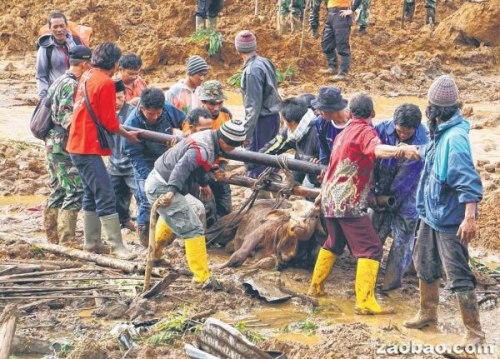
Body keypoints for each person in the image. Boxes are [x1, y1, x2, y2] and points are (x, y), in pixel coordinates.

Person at [308, 93, 420, 315]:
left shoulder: (344, 132)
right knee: (371, 248)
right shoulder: (365, 131)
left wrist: (322, 195)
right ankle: (365, 302)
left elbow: (331, 164)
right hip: (348, 201)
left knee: (334, 242)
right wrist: (402, 150)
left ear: (350, 113)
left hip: (330, 198)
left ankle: (316, 287)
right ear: (373, 114)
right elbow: (377, 151)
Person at [404, 76, 485, 347]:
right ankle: (427, 313)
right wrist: (414, 150)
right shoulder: (441, 132)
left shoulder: (456, 139)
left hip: (450, 219)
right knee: (424, 263)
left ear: (434, 109)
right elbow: (433, 157)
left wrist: (469, 217)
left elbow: (469, 180)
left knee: (458, 274)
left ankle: (473, 335)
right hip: (430, 213)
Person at [144, 120, 247, 288]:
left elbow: (198, 169)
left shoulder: (209, 137)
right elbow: (182, 168)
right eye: (232, 147)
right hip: (163, 185)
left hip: (160, 179)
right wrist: (171, 191)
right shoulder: (203, 149)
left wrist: (204, 182)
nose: (233, 151)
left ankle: (155, 254)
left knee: (194, 208)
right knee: (193, 229)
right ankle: (202, 277)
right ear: (224, 142)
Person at [66, 42, 141, 259]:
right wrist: (129, 136)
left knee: (92, 191)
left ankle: (91, 243)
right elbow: (110, 122)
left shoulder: (87, 75)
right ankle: (117, 247)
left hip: (77, 143)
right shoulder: (106, 83)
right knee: (107, 192)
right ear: (116, 64)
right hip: (87, 146)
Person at [370, 104, 429, 291]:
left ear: (416, 128)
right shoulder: (380, 129)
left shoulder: (424, 141)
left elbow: (410, 177)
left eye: (407, 132)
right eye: (399, 131)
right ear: (394, 124)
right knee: (374, 235)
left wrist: (390, 200)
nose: (402, 135)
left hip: (409, 195)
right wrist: (373, 191)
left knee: (402, 240)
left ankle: (390, 285)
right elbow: (369, 156)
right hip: (381, 187)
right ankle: (367, 279)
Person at [123, 88, 186, 247]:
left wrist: (184, 134)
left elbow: (185, 122)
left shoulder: (166, 108)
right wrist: (149, 175)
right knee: (146, 197)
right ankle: (146, 240)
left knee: (173, 194)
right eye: (151, 114)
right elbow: (133, 154)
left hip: (166, 159)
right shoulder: (131, 123)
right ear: (142, 108)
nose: (156, 116)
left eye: (158, 113)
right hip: (145, 161)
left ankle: (168, 234)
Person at [43, 45, 91, 245]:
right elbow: (66, 117)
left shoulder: (58, 80)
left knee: (59, 189)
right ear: (85, 64)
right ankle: (67, 239)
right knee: (75, 189)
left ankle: (52, 237)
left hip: (52, 141)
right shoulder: (70, 85)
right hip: (63, 144)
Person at [234, 30, 281, 178]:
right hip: (273, 117)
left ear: (238, 49)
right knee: (270, 157)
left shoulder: (251, 72)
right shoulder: (265, 62)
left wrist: (246, 133)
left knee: (256, 161)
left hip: (261, 122)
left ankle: (261, 196)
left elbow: (253, 107)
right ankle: (269, 191)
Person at [251, 96, 320, 187]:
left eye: (285, 122)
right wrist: (249, 163)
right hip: (307, 169)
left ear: (291, 122)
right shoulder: (294, 132)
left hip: (322, 178)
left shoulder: (317, 132)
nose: (285, 125)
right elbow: (272, 147)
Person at [199, 80, 233, 219]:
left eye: (219, 103)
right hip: (201, 165)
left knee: (225, 201)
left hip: (220, 163)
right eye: (212, 104)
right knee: (207, 205)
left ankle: (223, 232)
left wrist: (222, 164)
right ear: (203, 101)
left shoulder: (226, 115)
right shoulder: (196, 117)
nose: (216, 107)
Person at [107, 79, 136, 232]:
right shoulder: (105, 112)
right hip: (114, 163)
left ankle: (145, 224)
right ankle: (123, 220)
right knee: (114, 195)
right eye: (113, 98)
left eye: (120, 97)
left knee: (140, 194)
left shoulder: (133, 113)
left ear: (125, 95)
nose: (117, 102)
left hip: (131, 164)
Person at [36, 12, 81, 99]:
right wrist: (43, 98)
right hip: (57, 96)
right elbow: (41, 76)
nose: (59, 30)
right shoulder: (45, 48)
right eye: (55, 27)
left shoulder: (76, 43)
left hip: (76, 94)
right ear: (50, 28)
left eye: (61, 26)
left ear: (66, 26)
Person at [313, 87, 350, 165]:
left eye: (321, 109)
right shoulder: (321, 123)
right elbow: (324, 151)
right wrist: (324, 166)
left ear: (332, 110)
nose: (319, 112)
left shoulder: (357, 123)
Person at [320, 0, 356, 81]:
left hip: (341, 14)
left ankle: (343, 73)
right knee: (326, 43)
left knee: (342, 45)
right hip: (330, 14)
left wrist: (352, 9)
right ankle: (332, 67)